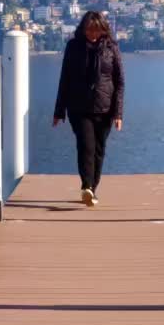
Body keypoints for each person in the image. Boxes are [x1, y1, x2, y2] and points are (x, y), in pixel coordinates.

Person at [53, 11, 124, 207]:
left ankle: (93, 189)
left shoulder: (112, 48)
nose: (92, 34)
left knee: (99, 150)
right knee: (86, 146)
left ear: (103, 30)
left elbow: (119, 82)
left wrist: (118, 114)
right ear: (83, 29)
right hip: (79, 107)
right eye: (89, 30)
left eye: (96, 30)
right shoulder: (73, 47)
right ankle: (86, 186)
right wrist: (59, 111)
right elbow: (64, 79)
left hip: (105, 109)